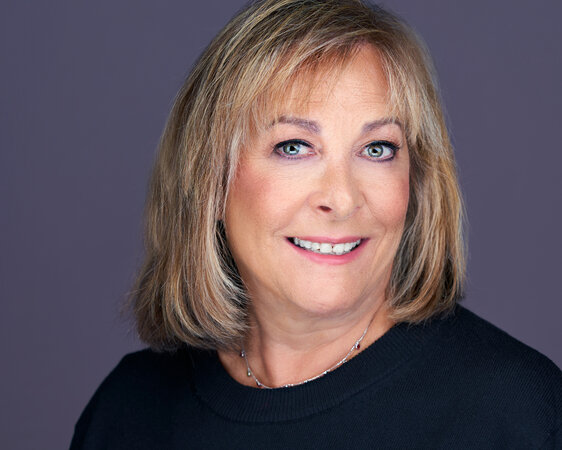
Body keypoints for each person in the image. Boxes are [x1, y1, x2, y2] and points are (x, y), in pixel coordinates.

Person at [70, 0, 562, 448]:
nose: (341, 199)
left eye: (377, 149)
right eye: (294, 147)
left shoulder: (517, 412)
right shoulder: (128, 411)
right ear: (210, 181)